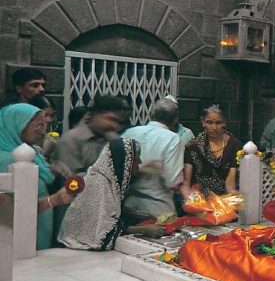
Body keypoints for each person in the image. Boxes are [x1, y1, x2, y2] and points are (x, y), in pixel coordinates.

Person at [58, 138, 164, 250]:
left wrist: (137, 214)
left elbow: (110, 211)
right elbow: (102, 231)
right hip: (78, 249)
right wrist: (143, 230)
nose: (141, 162)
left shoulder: (110, 181)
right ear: (125, 161)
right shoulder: (99, 183)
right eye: (137, 158)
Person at [0, 104, 73, 250]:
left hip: (39, 231)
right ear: (18, 126)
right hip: (19, 240)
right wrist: (54, 200)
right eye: (39, 126)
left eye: (44, 126)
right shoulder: (9, 160)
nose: (43, 132)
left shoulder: (34, 153)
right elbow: (13, 209)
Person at [122, 99, 184, 217]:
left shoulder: (129, 133)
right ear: (175, 119)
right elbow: (173, 181)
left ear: (151, 114)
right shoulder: (172, 139)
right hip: (158, 209)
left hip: (128, 206)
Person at [56, 96, 128, 175]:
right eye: (110, 119)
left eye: (118, 122)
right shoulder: (71, 140)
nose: (114, 125)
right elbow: (71, 179)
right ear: (94, 115)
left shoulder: (114, 140)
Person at [183, 105, 243, 196]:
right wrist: (191, 199)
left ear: (224, 123)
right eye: (209, 122)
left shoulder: (234, 145)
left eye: (218, 123)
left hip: (224, 200)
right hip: (199, 199)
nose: (214, 127)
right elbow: (186, 184)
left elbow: (230, 184)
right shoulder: (193, 146)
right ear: (203, 122)